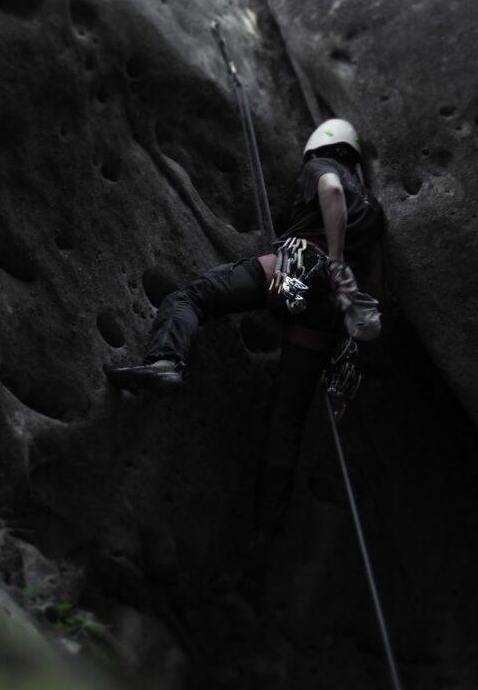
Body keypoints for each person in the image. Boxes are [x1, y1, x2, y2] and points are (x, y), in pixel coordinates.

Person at [106, 118, 383, 538]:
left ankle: (166, 360)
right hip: (328, 314)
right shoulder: (375, 211)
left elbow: (328, 190)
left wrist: (335, 255)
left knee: (191, 298)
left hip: (296, 273)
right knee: (286, 423)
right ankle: (267, 525)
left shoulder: (322, 166)